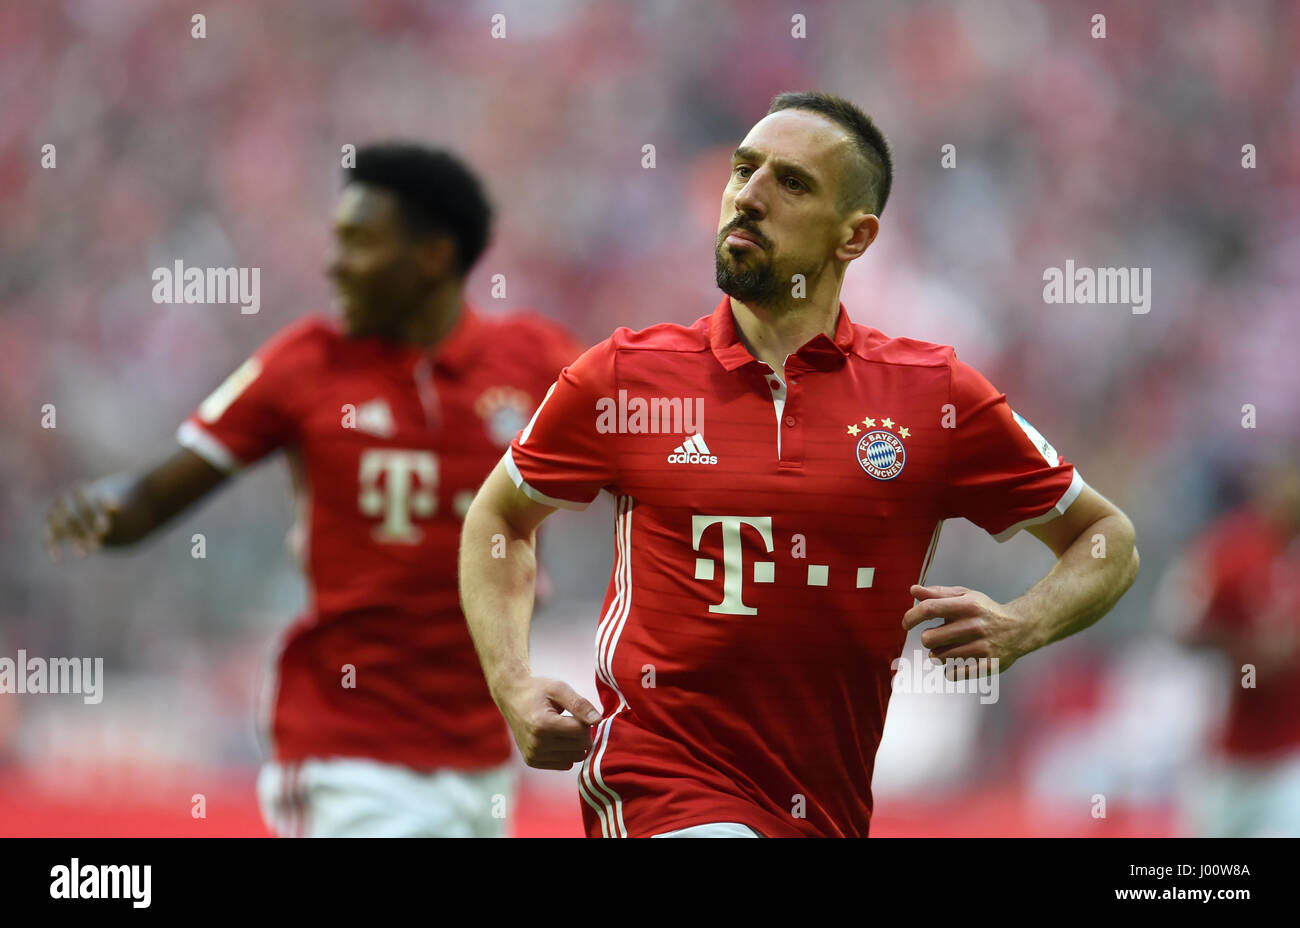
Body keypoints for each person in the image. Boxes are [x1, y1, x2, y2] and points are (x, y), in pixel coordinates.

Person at [458, 91, 1140, 838]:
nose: (747, 196)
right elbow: (498, 517)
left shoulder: (932, 395)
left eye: (790, 183)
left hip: (826, 811)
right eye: (743, 170)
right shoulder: (627, 376)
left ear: (855, 236)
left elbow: (1107, 540)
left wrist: (1022, 625)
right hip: (657, 783)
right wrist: (512, 684)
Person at [44, 142, 581, 837]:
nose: (335, 264)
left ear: (432, 255)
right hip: (345, 753)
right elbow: (154, 495)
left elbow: (641, 464)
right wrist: (105, 507)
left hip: (482, 760)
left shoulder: (534, 359)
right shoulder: (307, 364)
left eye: (359, 241)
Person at [1158, 453, 1300, 837]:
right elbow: (1180, 627)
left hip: (1291, 754)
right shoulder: (1233, 550)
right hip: (1230, 752)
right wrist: (1242, 649)